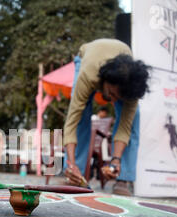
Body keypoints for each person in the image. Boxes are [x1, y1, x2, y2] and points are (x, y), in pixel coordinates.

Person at [63, 38, 150, 196]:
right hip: (86, 58)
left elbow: (124, 127)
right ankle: (75, 174)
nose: (113, 101)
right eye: (112, 94)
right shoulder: (89, 74)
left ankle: (123, 178)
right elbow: (72, 122)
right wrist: (71, 162)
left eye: (119, 98)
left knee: (133, 119)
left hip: (121, 57)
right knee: (81, 115)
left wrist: (115, 159)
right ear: (105, 81)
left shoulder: (131, 86)